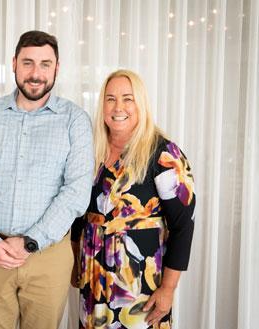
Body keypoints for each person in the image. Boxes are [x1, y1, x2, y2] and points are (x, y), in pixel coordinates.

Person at [0, 30, 94, 329]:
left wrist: (29, 242)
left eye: (45, 64)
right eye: (27, 63)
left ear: (57, 67)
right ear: (13, 63)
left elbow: (76, 192)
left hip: (48, 256)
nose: (36, 74)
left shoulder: (75, 120)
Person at [71, 69, 195, 329]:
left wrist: (169, 289)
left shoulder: (163, 153)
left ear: (141, 104)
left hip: (140, 288)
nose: (119, 107)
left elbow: (183, 225)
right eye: (110, 99)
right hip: (94, 282)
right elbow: (77, 213)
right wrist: (74, 264)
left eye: (128, 98)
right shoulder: (90, 152)